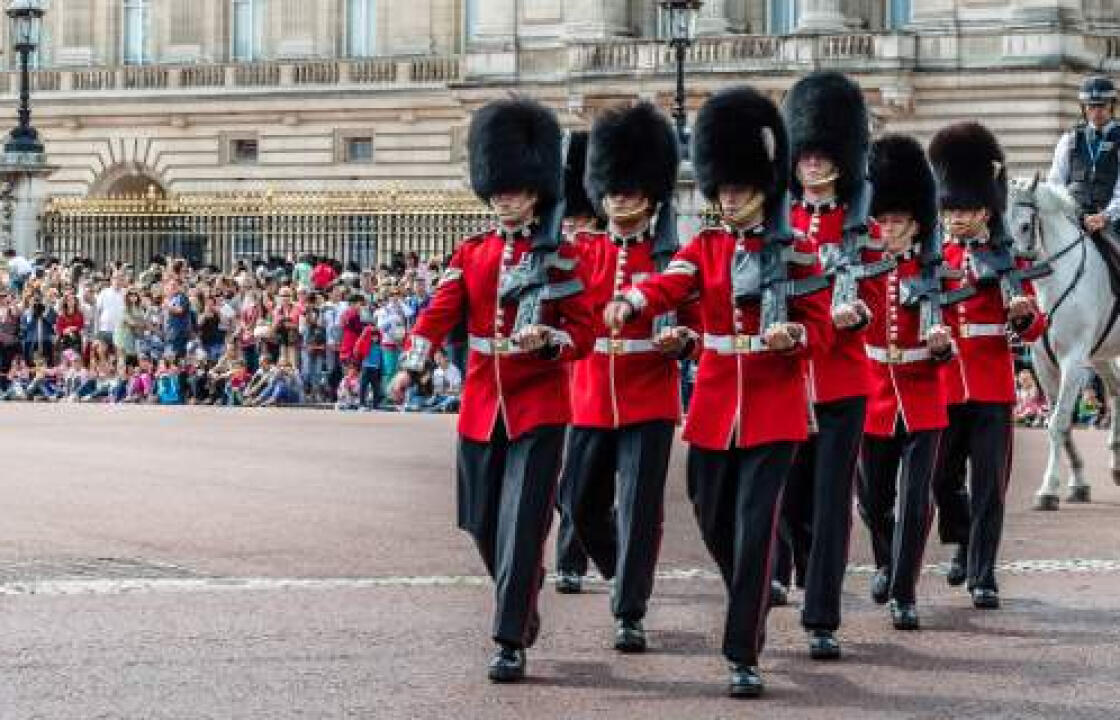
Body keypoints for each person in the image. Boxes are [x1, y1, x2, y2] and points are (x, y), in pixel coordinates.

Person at [604, 85, 832, 698]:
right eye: (724, 189)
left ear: (763, 187)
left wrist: (794, 336)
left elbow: (821, 326)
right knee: (710, 516)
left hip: (775, 410)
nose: (730, 198)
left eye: (739, 188)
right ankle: (750, 595)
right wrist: (631, 299)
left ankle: (743, 653)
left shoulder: (798, 251)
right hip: (712, 409)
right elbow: (670, 284)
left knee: (756, 528)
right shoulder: (705, 247)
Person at [390, 97, 594, 684]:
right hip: (483, 403)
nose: (505, 197)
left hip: (539, 406)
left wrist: (550, 340)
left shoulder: (561, 254)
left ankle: (508, 639)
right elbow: (438, 313)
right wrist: (412, 364)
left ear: (535, 191)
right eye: (498, 189)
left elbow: (582, 329)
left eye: (515, 189)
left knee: (525, 523)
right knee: (483, 523)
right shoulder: (473, 251)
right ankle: (521, 600)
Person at [561, 101, 691, 651]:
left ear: (650, 195)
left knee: (639, 508)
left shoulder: (672, 254)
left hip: (650, 395)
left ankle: (630, 608)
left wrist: (681, 340)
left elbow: (694, 318)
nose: (619, 199)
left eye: (630, 191)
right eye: (613, 190)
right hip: (590, 393)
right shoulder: (579, 251)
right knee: (580, 505)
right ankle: (622, 574)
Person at [775, 70, 882, 659]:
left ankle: (822, 615)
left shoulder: (862, 227)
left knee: (831, 497)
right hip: (790, 377)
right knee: (790, 499)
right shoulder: (781, 222)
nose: (812, 166)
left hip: (841, 380)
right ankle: (801, 565)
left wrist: (858, 318)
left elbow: (886, 297)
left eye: (822, 157)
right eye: (805, 157)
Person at [932, 121, 1048, 610]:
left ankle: (983, 574)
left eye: (967, 209)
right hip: (944, 385)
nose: (958, 218)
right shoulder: (934, 256)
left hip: (992, 386)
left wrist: (1023, 317)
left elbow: (1036, 326)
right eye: (952, 209)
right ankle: (960, 537)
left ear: (986, 210)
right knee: (940, 480)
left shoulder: (1007, 258)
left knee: (989, 488)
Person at [856, 134, 956, 631]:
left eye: (897, 221)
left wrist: (943, 342)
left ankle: (904, 591)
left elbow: (957, 323)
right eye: (884, 220)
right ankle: (883, 560)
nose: (889, 229)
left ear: (917, 224)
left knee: (917, 500)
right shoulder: (865, 270)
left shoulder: (940, 271)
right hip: (874, 393)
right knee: (873, 500)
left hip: (922, 395)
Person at [1047, 75, 1120, 238]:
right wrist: (1078, 214)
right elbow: (1055, 183)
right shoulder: (1068, 139)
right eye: (1091, 106)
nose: (1096, 112)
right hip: (1073, 219)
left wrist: (1106, 216)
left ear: (1112, 106)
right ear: (1084, 108)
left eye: (1102, 106)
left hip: (1112, 222)